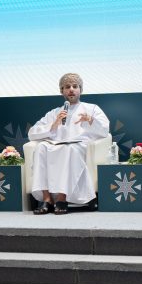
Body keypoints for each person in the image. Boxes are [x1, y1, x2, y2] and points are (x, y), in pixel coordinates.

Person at [29, 73, 110, 215]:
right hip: (56, 144)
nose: (71, 89)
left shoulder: (91, 108)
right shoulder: (55, 112)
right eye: (67, 87)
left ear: (80, 90)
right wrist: (54, 124)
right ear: (62, 91)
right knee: (41, 147)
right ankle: (47, 199)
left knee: (69, 149)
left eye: (75, 86)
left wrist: (90, 120)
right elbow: (32, 132)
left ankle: (62, 198)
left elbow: (105, 130)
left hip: (79, 145)